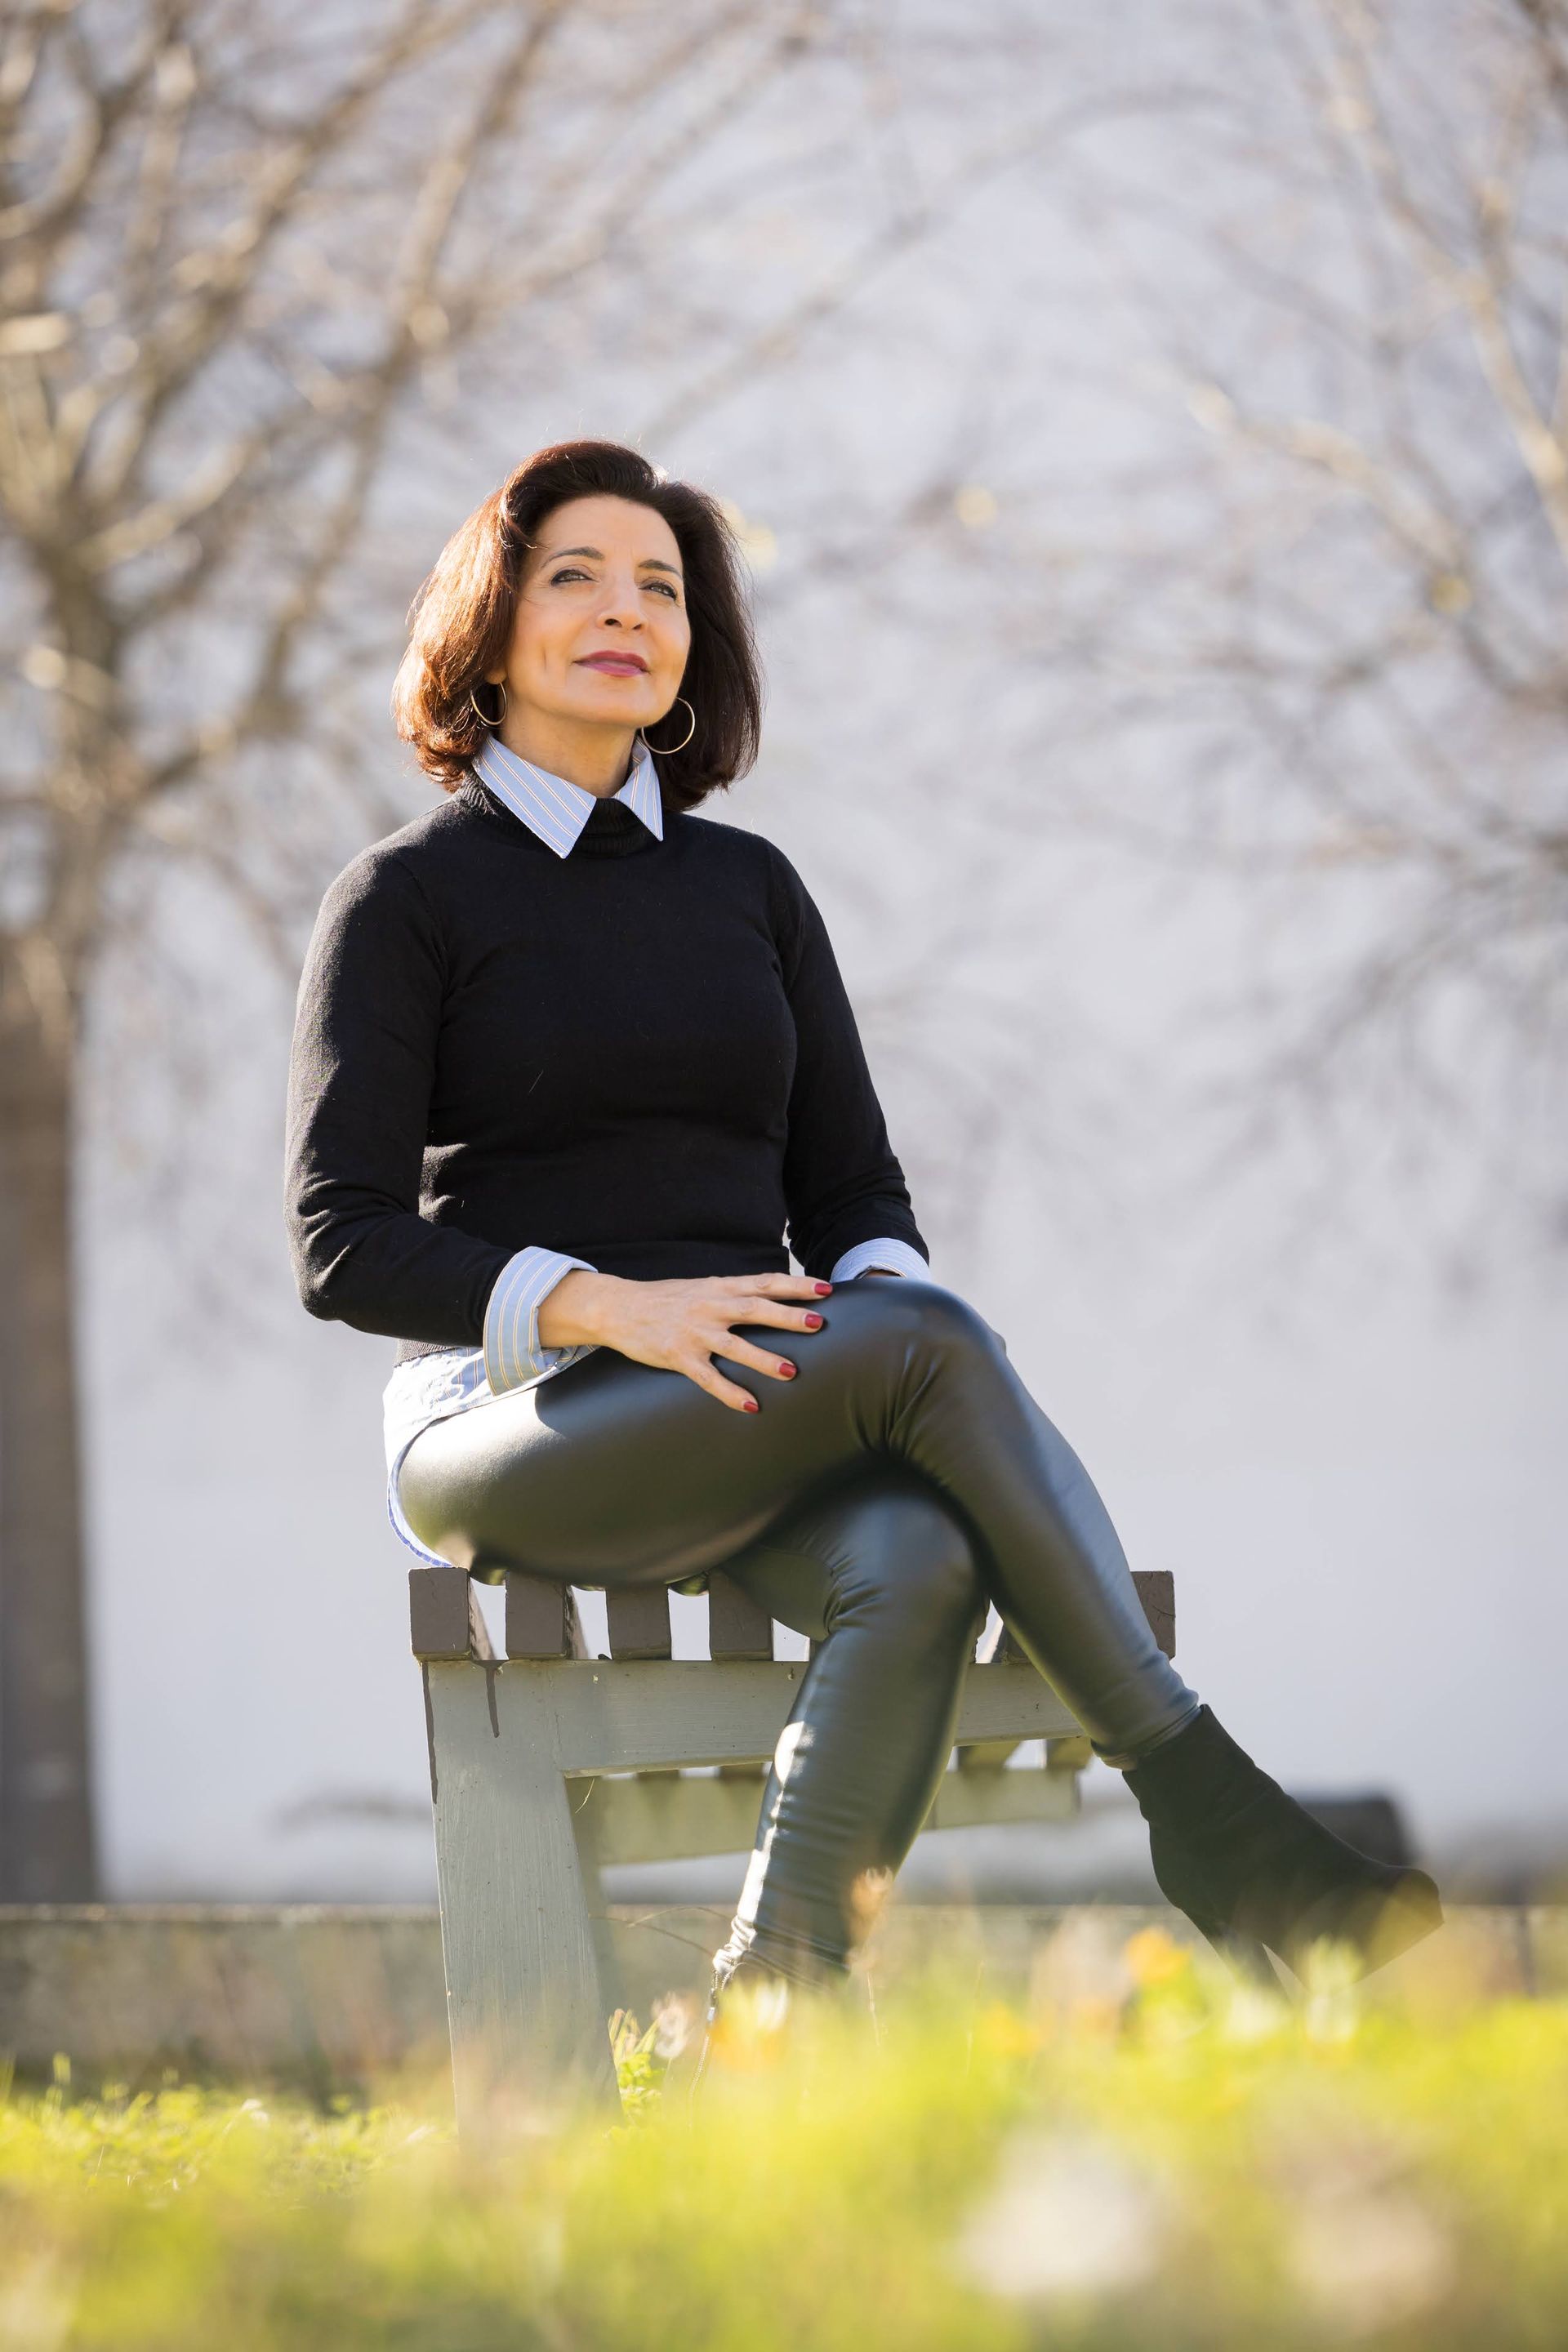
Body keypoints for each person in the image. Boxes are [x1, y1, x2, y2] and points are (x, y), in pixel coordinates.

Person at [283, 437, 1441, 2055]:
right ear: (489, 625)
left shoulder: (752, 891)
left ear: (696, 646)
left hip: (746, 1407)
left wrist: (875, 1343)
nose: (628, 610)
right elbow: (341, 1246)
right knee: (924, 1340)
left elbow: (855, 1203)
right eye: (578, 577)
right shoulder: (409, 897)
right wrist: (613, 1308)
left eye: (663, 588)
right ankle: (1214, 1813)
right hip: (501, 1425)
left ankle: (775, 2022)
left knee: (916, 1549)